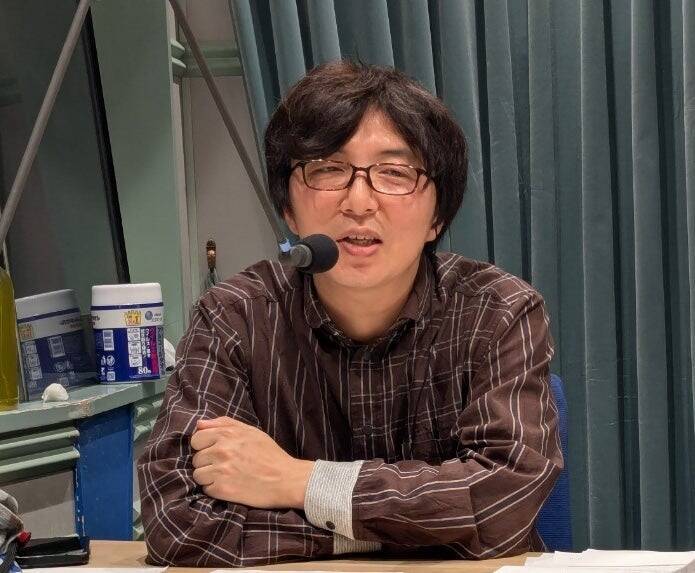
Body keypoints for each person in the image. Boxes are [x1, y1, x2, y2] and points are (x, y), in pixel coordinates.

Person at [138, 60, 563, 568]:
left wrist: (300, 481)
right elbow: (177, 522)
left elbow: (503, 504)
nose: (359, 202)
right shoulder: (235, 317)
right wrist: (408, 528)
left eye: (394, 173)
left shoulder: (499, 311)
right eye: (328, 169)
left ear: (438, 216)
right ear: (289, 209)